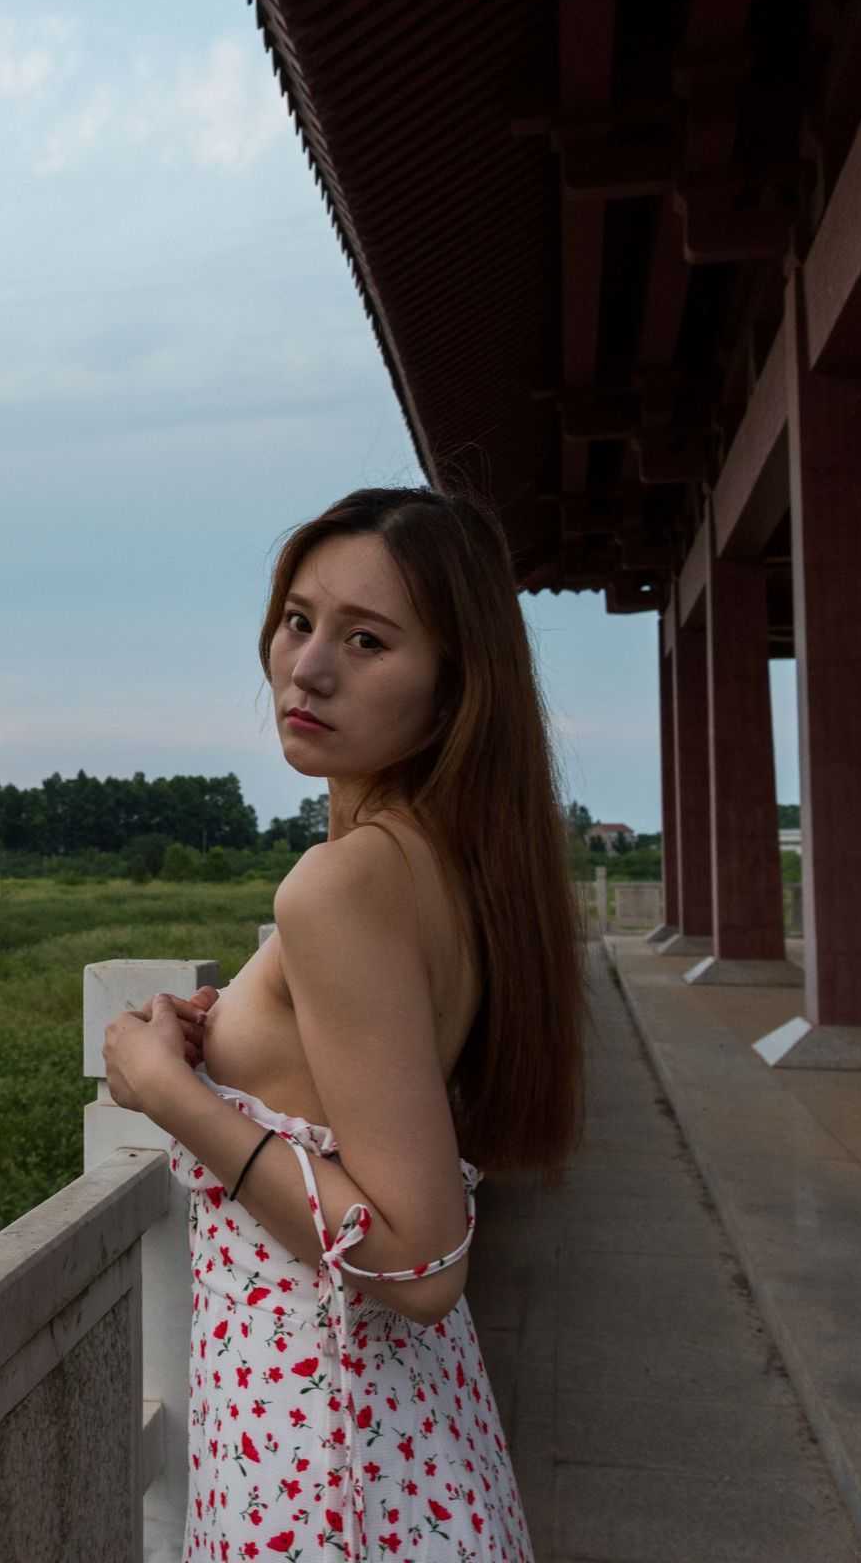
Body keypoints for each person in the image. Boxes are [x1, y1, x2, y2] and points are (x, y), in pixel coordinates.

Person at [101, 485, 585, 1561]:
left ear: (455, 688)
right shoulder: (445, 866)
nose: (308, 668)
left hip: (323, 1458)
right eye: (298, 621)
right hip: (398, 1441)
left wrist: (170, 1091)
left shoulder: (342, 884)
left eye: (367, 641)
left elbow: (421, 1262)